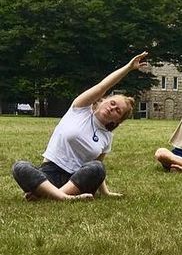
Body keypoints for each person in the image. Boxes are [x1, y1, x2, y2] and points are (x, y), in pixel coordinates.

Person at [11, 51, 148, 201]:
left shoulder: (107, 137)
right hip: (50, 173)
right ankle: (63, 197)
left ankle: (49, 195)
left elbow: (97, 165)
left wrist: (105, 192)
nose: (112, 108)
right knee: (20, 167)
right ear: (103, 100)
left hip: (76, 181)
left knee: (98, 168)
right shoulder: (80, 108)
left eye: (118, 111)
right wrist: (128, 67)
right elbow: (103, 86)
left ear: (116, 121)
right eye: (112, 103)